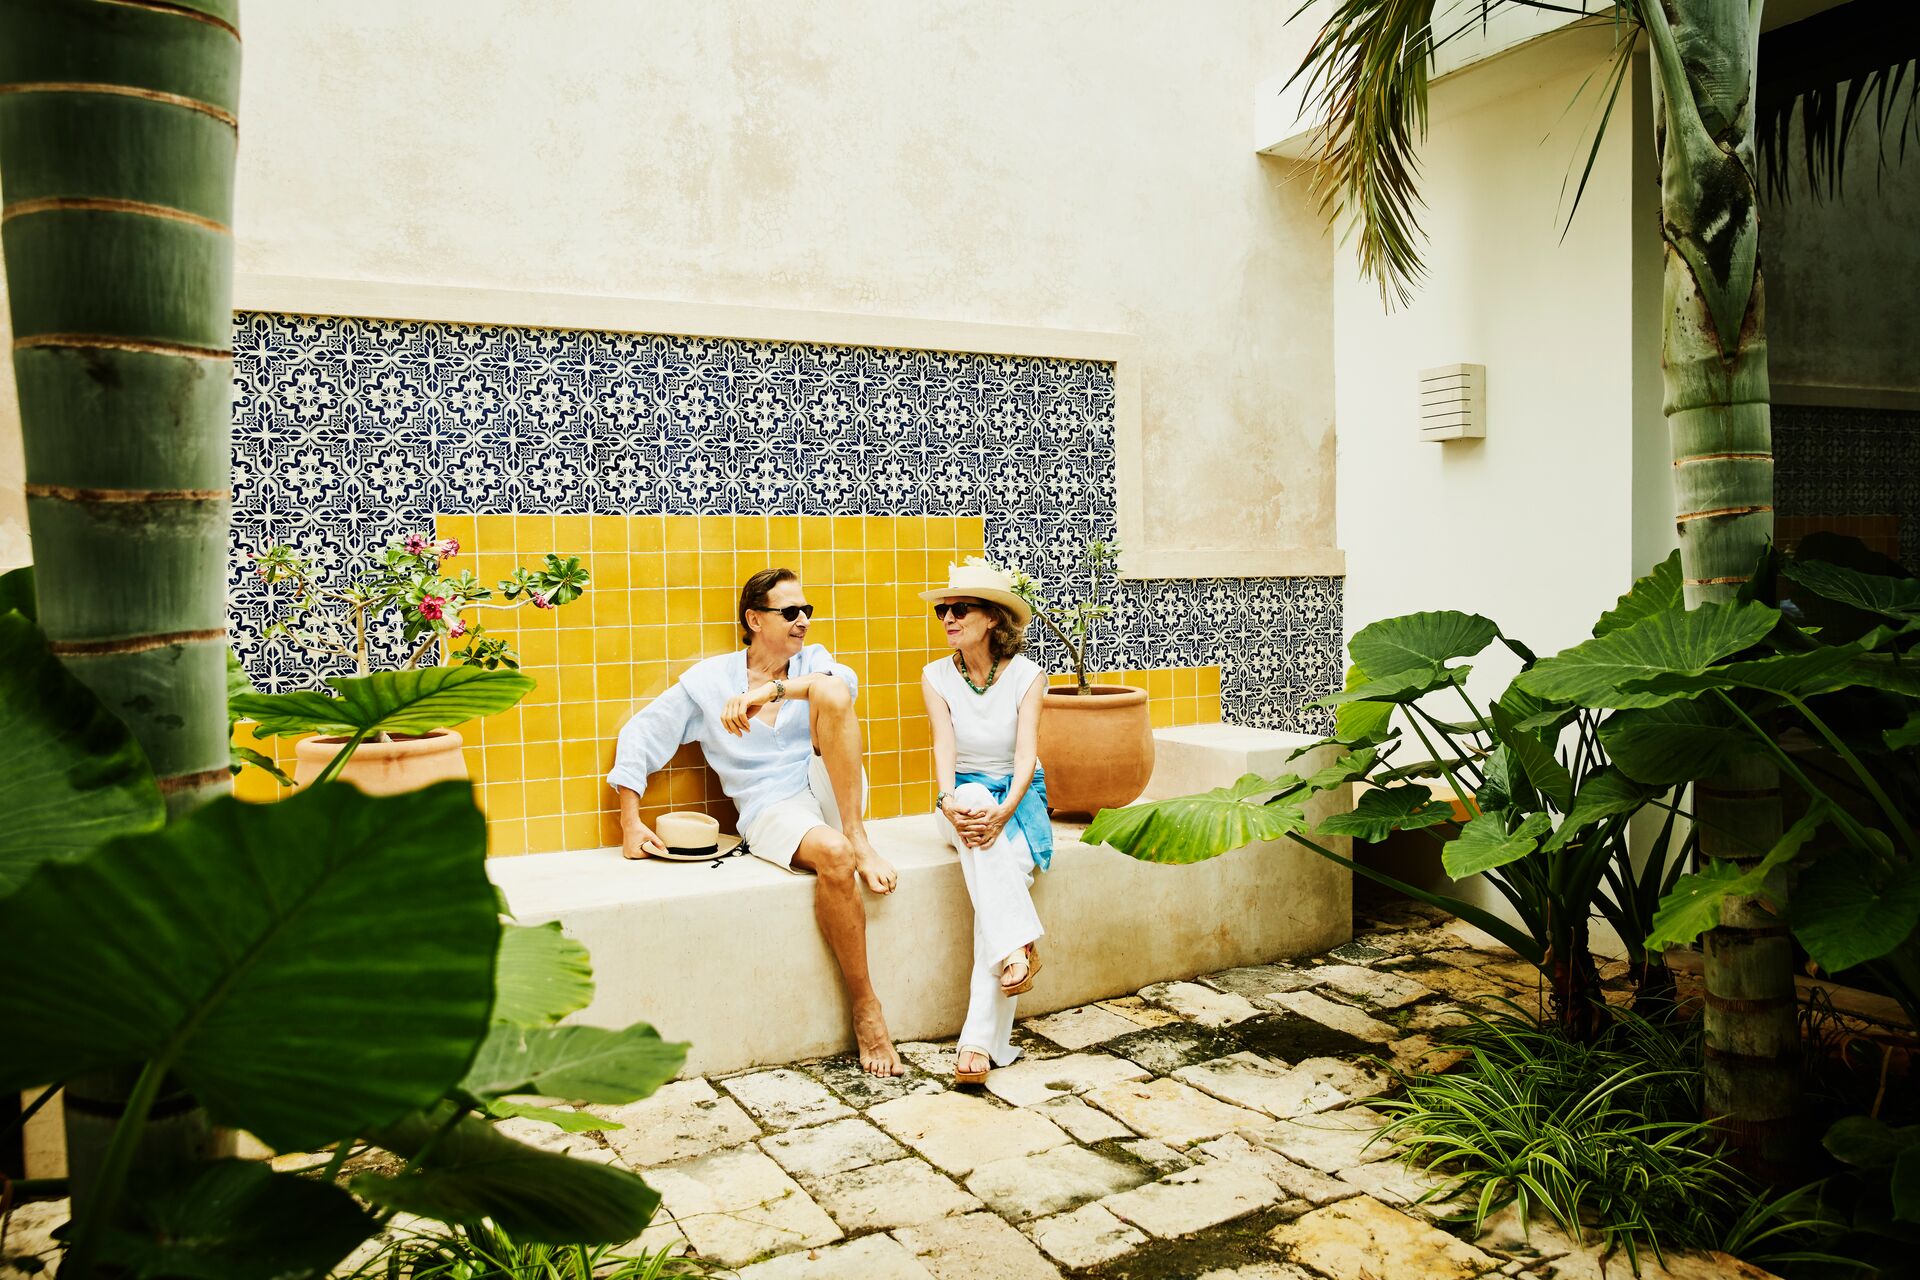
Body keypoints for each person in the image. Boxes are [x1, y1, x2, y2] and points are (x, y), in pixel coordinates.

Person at [608, 568, 905, 1076]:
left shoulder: (813, 662)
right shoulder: (708, 683)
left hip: (831, 788)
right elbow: (643, 734)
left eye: (806, 611)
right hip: (772, 807)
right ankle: (867, 1009)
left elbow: (841, 690)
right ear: (754, 619)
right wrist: (629, 822)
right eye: (790, 613)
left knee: (831, 693)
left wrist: (768, 693)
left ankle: (860, 838)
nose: (802, 622)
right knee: (833, 857)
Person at [919, 559, 1052, 1085]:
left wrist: (1006, 809)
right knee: (973, 794)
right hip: (962, 803)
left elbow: (1026, 756)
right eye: (942, 610)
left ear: (993, 618)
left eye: (960, 608)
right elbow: (943, 747)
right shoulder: (935, 676)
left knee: (1002, 878)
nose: (948, 617)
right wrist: (949, 800)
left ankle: (977, 1044)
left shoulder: (1027, 676)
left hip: (1017, 800)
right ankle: (1019, 947)